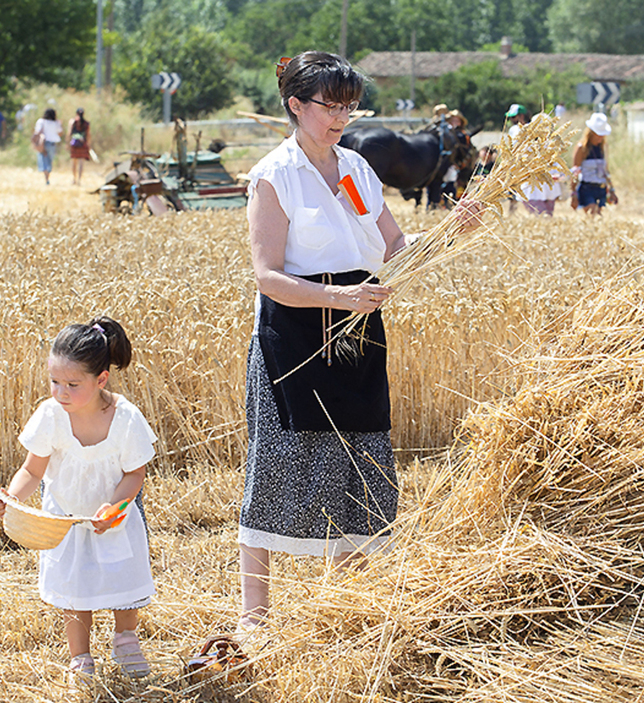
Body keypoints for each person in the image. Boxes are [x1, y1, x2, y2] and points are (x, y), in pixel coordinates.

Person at [238, 51, 412, 637]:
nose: (341, 115)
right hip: (295, 336)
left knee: (360, 464)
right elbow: (267, 277)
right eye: (329, 104)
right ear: (296, 104)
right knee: (278, 470)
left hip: (359, 333)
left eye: (349, 105)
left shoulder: (359, 168)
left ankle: (351, 612)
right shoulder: (274, 175)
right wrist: (339, 300)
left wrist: (452, 230)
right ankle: (254, 621)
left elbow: (396, 249)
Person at [0, 318, 157, 681]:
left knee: (122, 582)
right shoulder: (50, 416)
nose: (60, 392)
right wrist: (12, 498)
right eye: (54, 382)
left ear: (101, 379)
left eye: (71, 384)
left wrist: (115, 509)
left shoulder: (125, 418)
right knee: (75, 589)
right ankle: (80, 657)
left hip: (113, 519)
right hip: (64, 521)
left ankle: (126, 640)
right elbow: (32, 471)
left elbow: (135, 475)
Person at [571, 112, 616, 216]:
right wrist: (573, 194)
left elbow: (606, 171)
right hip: (587, 188)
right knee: (593, 213)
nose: (600, 137)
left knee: (598, 217)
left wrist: (612, 190)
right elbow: (575, 171)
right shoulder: (581, 148)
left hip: (601, 188)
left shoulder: (603, 148)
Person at [34, 108, 63, 185]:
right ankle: (48, 175)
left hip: (43, 143)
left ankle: (46, 177)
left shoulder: (41, 121)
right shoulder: (56, 122)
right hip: (52, 144)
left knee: (43, 159)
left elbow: (37, 131)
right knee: (50, 160)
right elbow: (60, 133)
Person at [68, 107, 91, 185]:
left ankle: (74, 179)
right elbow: (88, 135)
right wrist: (88, 144)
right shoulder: (86, 123)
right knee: (81, 163)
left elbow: (69, 133)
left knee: (74, 163)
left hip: (74, 144)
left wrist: (68, 143)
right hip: (83, 145)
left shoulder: (72, 122)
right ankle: (79, 180)